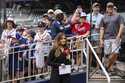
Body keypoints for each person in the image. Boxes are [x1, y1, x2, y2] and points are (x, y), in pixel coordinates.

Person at [99, 2, 124, 72]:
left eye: (111, 7)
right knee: (107, 54)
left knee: (115, 53)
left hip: (116, 38)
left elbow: (122, 26)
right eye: (108, 7)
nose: (110, 8)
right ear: (106, 8)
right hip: (106, 38)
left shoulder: (118, 16)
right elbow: (102, 28)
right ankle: (109, 68)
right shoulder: (103, 17)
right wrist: (101, 39)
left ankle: (107, 67)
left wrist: (118, 36)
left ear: (113, 8)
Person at [87, 2, 104, 69]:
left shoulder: (102, 16)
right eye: (95, 7)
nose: (96, 8)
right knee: (89, 53)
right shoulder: (88, 16)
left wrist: (97, 27)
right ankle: (89, 68)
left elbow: (103, 27)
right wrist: (90, 26)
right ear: (92, 8)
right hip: (90, 37)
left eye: (98, 7)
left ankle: (98, 67)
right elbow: (85, 26)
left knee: (98, 53)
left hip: (98, 37)